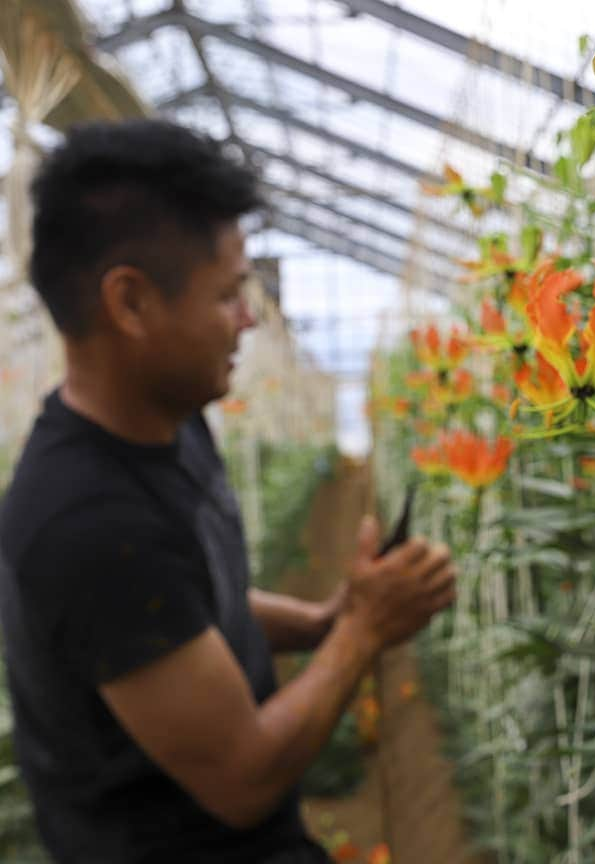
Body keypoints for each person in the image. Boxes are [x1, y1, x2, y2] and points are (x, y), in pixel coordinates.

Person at [0, 120, 456, 863]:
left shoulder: (170, 424)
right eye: (228, 294)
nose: (250, 318)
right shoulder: (85, 522)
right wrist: (363, 631)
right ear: (131, 304)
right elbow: (242, 779)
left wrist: (322, 620)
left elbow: (187, 607)